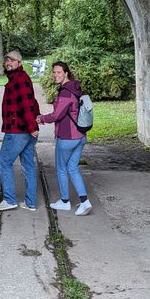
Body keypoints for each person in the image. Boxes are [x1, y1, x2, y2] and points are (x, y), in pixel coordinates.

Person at [37, 61, 92, 216]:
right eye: (54, 72)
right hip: (81, 136)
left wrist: (41, 118)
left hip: (68, 137)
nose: (55, 75)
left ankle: (65, 201)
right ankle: (85, 202)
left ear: (66, 73)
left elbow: (57, 115)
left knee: (61, 168)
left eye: (59, 72)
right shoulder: (75, 88)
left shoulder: (65, 92)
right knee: (73, 168)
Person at [0, 50, 40, 212]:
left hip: (18, 131)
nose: (8, 62)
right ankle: (30, 203)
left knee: (4, 161)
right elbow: (33, 102)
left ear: (19, 63)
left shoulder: (19, 80)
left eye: (12, 60)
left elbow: (27, 106)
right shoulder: (20, 78)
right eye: (7, 60)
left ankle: (10, 200)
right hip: (25, 130)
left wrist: (32, 126)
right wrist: (35, 122)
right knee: (28, 165)